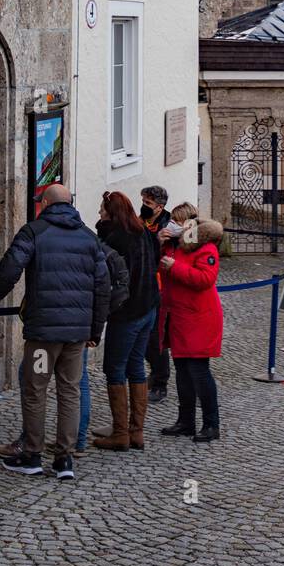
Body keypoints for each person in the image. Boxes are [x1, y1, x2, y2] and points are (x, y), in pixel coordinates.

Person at [0, 184, 109, 480]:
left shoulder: (34, 232)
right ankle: (64, 459)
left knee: (35, 390)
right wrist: (95, 331)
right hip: (76, 335)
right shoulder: (89, 237)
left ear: (46, 203)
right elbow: (103, 288)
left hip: (43, 335)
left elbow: (10, 270)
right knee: (69, 391)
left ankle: (32, 455)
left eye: (40, 202)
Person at [92, 191, 159, 450]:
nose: (99, 214)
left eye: (102, 210)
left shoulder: (115, 238)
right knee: (136, 366)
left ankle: (120, 432)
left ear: (112, 213)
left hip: (127, 312)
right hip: (148, 307)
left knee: (115, 368)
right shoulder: (142, 231)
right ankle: (136, 431)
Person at [159, 217, 224, 443]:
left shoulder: (206, 249)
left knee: (199, 371)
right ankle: (186, 421)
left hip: (199, 318)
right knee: (183, 371)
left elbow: (206, 279)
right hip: (178, 316)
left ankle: (211, 424)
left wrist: (174, 267)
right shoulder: (174, 246)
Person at [140, 184, 171, 403]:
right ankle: (154, 372)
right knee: (142, 336)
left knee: (155, 337)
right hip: (142, 284)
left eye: (148, 204)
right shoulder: (141, 221)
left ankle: (161, 382)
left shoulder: (169, 225)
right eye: (143, 202)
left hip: (159, 288)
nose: (143, 207)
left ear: (159, 207)